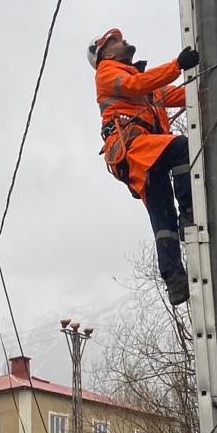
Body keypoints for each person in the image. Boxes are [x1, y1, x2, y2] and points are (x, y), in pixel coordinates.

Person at [88, 28, 199, 306]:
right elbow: (138, 87)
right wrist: (177, 65)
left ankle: (174, 278)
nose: (123, 41)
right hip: (135, 148)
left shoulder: (141, 79)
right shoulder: (107, 73)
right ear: (106, 52)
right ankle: (188, 214)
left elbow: (175, 95)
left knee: (162, 215)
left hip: (145, 151)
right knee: (181, 148)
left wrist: (212, 81)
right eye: (116, 40)